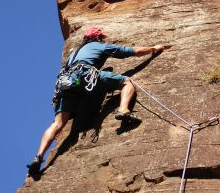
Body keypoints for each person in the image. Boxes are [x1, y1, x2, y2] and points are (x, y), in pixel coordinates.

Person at [27, 27, 171, 175]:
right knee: (126, 82)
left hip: (68, 83)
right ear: (98, 38)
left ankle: (38, 157)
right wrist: (154, 48)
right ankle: (123, 110)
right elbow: (130, 52)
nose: (103, 40)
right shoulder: (100, 46)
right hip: (85, 76)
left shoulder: (72, 55)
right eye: (102, 38)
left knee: (57, 124)